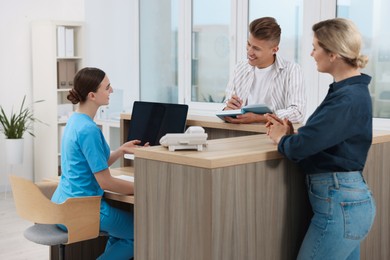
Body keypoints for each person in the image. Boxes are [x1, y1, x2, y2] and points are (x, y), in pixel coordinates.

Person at [265, 18, 376, 259]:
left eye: (316, 47)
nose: (312, 53)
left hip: (340, 205)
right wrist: (292, 135)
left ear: (333, 53)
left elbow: (299, 148)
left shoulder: (347, 98)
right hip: (346, 203)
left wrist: (281, 139)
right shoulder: (347, 92)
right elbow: (321, 139)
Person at [51, 67, 146, 260]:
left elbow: (93, 164)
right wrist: (143, 188)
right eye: (107, 87)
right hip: (82, 209)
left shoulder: (75, 120)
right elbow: (106, 182)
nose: (111, 91)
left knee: (123, 231)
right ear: (92, 95)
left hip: (62, 205)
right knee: (140, 232)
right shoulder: (88, 130)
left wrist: (120, 151)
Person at [223, 17, 306, 124]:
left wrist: (260, 118)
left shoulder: (292, 71)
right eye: (248, 44)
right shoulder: (240, 68)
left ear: (274, 50)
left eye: (256, 49)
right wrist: (228, 109)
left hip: (273, 136)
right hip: (240, 132)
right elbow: (227, 103)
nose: (249, 52)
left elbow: (298, 113)